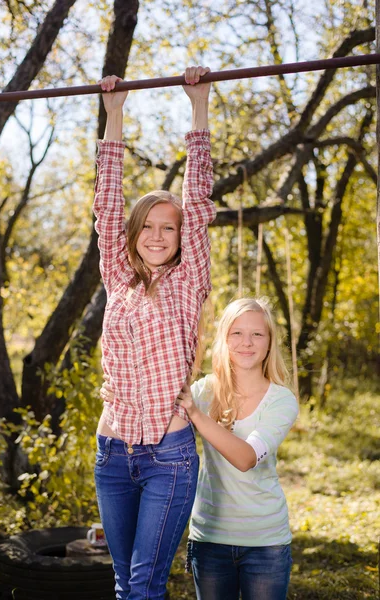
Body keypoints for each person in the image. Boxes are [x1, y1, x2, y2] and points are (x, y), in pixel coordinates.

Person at [92, 65, 216, 600]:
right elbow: (106, 204)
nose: (159, 235)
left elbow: (197, 200)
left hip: (169, 452)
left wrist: (199, 108)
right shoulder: (118, 276)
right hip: (112, 450)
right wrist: (114, 114)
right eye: (148, 225)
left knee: (143, 585)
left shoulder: (189, 279)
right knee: (126, 585)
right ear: (133, 233)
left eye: (169, 226)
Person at [177, 297, 299, 600]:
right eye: (237, 333)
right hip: (209, 538)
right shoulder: (203, 391)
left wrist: (196, 415)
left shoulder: (281, 400)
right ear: (224, 339)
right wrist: (117, 386)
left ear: (270, 342)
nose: (247, 342)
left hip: (265, 542)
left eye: (257, 334)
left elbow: (245, 458)